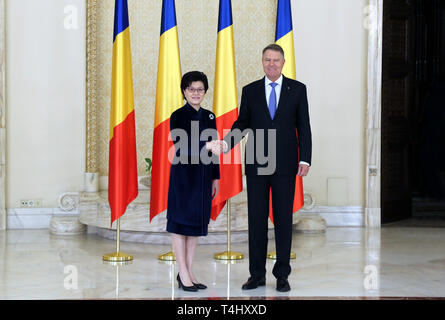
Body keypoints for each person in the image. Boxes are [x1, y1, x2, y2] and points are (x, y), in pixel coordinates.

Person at [209, 44, 312, 292]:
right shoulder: (251, 91)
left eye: (276, 60)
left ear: (283, 63)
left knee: (283, 220)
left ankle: (282, 275)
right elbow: (242, 124)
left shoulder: (297, 90)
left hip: (287, 165)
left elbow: (304, 126)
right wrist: (225, 144)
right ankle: (256, 275)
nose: (272, 64)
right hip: (256, 164)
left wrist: (305, 159)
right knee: (256, 220)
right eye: (267, 60)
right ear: (262, 62)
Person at [166, 71, 220, 292]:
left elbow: (215, 148)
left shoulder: (209, 116)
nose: (196, 93)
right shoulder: (177, 115)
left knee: (195, 225)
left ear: (205, 91)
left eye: (200, 89)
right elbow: (181, 147)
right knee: (180, 225)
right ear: (184, 91)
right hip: (183, 176)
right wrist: (204, 146)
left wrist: (215, 176)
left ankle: (188, 271)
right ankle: (183, 271)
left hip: (204, 176)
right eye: (191, 89)